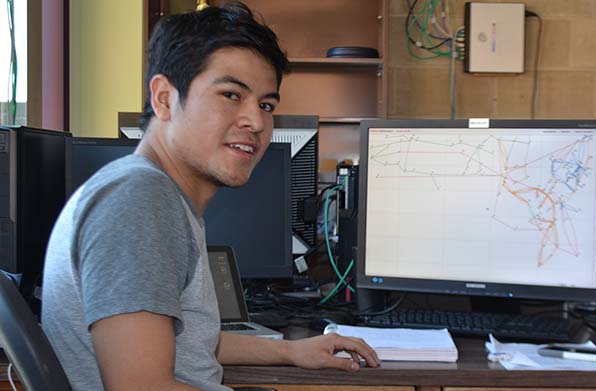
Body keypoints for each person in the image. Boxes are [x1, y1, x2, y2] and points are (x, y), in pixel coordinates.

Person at [41, 3, 379, 390]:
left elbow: (190, 342)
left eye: (266, 105)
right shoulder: (138, 200)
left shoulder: (154, 193)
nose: (256, 121)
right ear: (165, 98)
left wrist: (292, 351)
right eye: (232, 95)